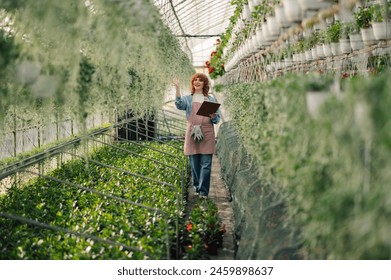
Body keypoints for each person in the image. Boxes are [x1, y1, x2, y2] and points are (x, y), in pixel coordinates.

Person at [173, 73, 221, 198]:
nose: (197, 82)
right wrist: (177, 88)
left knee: (206, 163)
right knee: (194, 163)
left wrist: (213, 115)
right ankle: (197, 186)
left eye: (200, 80)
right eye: (195, 80)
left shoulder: (210, 100)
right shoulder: (188, 99)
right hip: (192, 132)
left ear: (205, 84)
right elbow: (179, 104)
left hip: (207, 132)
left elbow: (217, 120)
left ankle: (203, 192)